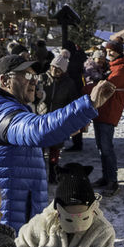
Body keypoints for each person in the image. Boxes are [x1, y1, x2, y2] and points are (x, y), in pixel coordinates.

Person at [0, 53, 114, 234]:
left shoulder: (4, 107)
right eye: (26, 75)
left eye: (34, 76)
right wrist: (88, 103)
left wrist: (67, 128)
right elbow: (38, 130)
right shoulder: (1, 112)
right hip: (10, 223)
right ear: (4, 80)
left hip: (15, 215)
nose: (34, 81)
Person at [86, 36, 124, 194]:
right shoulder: (112, 66)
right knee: (101, 147)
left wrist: (89, 87)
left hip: (109, 111)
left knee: (106, 147)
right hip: (102, 110)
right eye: (108, 51)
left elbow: (106, 86)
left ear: (118, 52)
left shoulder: (121, 68)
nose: (109, 53)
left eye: (112, 51)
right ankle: (106, 177)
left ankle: (112, 180)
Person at [39, 50, 82, 179]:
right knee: (39, 147)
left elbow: (72, 102)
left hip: (58, 119)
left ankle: (53, 172)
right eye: (52, 67)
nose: (54, 70)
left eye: (57, 69)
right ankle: (40, 172)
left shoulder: (69, 83)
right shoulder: (42, 78)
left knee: (55, 147)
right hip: (42, 117)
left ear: (63, 71)